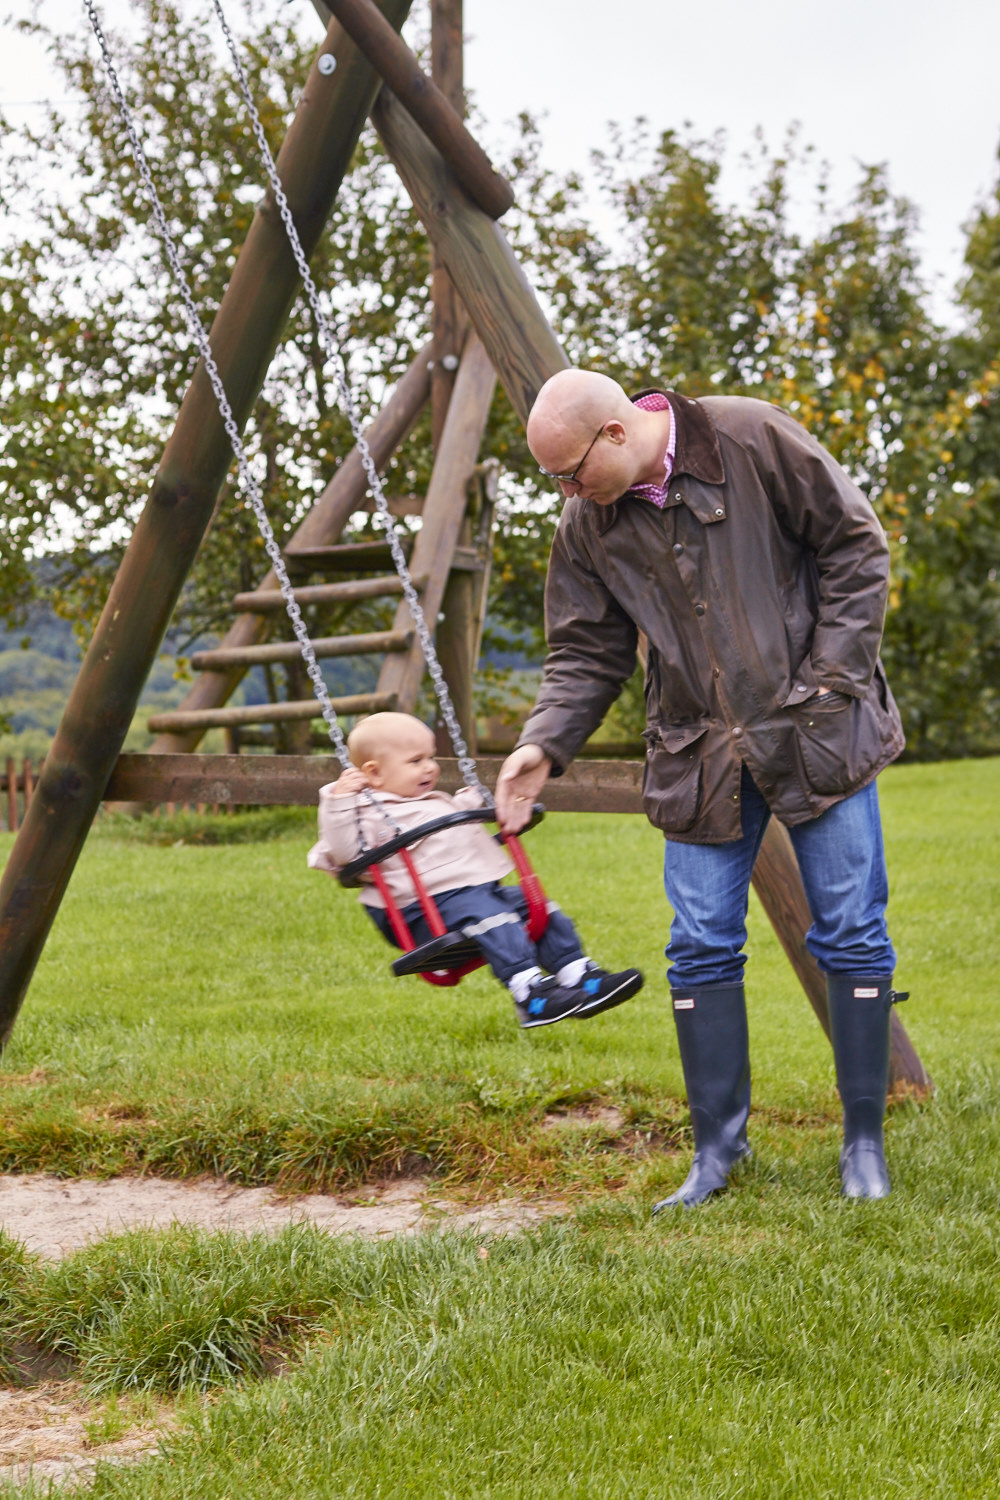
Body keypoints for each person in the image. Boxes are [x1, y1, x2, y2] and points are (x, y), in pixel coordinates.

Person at [494, 368, 908, 1206]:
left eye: (571, 472)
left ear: (615, 433)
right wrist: (543, 744)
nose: (568, 494)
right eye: (555, 483)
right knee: (700, 946)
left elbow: (856, 549)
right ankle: (719, 1154)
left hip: (819, 734)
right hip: (697, 756)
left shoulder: (751, 438)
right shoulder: (588, 523)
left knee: (853, 935)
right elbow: (584, 652)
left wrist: (830, 682)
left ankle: (864, 1145)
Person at [309, 711, 643, 1029]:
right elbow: (342, 849)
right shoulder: (365, 812)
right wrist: (338, 801)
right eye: (415, 761)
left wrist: (471, 804)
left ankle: (577, 974)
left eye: (431, 757)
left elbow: (451, 823)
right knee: (491, 916)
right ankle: (529, 993)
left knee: (537, 906)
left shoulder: (427, 801)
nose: (429, 768)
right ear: (375, 773)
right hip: (420, 913)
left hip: (473, 895)